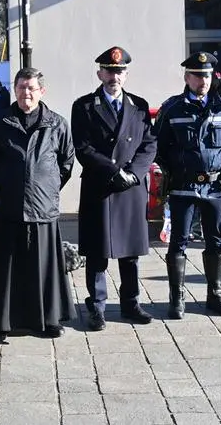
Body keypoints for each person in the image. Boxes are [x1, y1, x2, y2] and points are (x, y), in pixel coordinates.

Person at [0, 68, 76, 341]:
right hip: (10, 206)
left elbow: (66, 163)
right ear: (15, 90)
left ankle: (48, 319)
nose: (26, 93)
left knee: (43, 268)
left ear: (41, 91)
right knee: (6, 269)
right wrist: (9, 183)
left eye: (31, 88)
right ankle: (2, 321)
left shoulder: (57, 124)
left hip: (43, 207)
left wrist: (46, 186)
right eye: (21, 88)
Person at [72, 47, 157, 331]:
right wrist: (114, 171)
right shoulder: (84, 106)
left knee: (130, 251)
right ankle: (96, 306)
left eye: (119, 72)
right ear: (100, 73)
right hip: (101, 185)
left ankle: (131, 303)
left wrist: (133, 174)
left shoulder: (139, 106)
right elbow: (83, 148)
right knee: (97, 251)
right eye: (109, 71)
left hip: (130, 187)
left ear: (126, 75)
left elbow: (149, 144)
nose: (114, 76)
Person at [155, 51, 221, 318]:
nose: (202, 80)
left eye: (206, 75)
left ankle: (215, 294)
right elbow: (159, 145)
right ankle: (176, 298)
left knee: (214, 240)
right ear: (187, 77)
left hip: (214, 187)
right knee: (178, 241)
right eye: (197, 76)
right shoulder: (172, 108)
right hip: (182, 186)